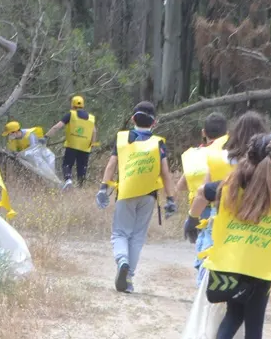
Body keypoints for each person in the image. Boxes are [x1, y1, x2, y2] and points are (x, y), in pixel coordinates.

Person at [189, 133, 271, 339]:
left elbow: (202, 192)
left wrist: (192, 218)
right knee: (254, 323)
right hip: (260, 267)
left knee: (235, 312)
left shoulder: (229, 185)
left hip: (229, 262)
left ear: (248, 155)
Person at [96, 101, 177, 293]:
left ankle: (122, 260)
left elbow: (111, 165)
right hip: (149, 196)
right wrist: (171, 199)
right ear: (154, 123)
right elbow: (165, 173)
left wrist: (103, 188)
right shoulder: (158, 143)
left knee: (120, 233)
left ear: (133, 119)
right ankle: (129, 278)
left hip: (126, 193)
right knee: (137, 237)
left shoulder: (122, 139)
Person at [184, 111, 271, 282]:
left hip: (221, 220)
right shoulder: (268, 165)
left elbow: (203, 192)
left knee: (209, 263)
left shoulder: (217, 159)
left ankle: (207, 286)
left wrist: (192, 219)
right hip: (256, 225)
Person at [176, 112, 231, 282]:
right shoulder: (229, 153)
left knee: (204, 245)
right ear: (226, 133)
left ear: (203, 132)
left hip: (199, 209)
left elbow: (181, 186)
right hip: (223, 206)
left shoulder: (196, 154)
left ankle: (203, 280)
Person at [46, 95, 97, 189]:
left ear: (72, 105)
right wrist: (92, 143)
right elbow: (94, 131)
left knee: (67, 164)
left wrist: (46, 136)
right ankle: (80, 187)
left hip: (72, 145)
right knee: (82, 167)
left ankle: (68, 180)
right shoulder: (91, 118)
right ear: (83, 105)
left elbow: (57, 127)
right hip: (85, 147)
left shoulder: (70, 115)